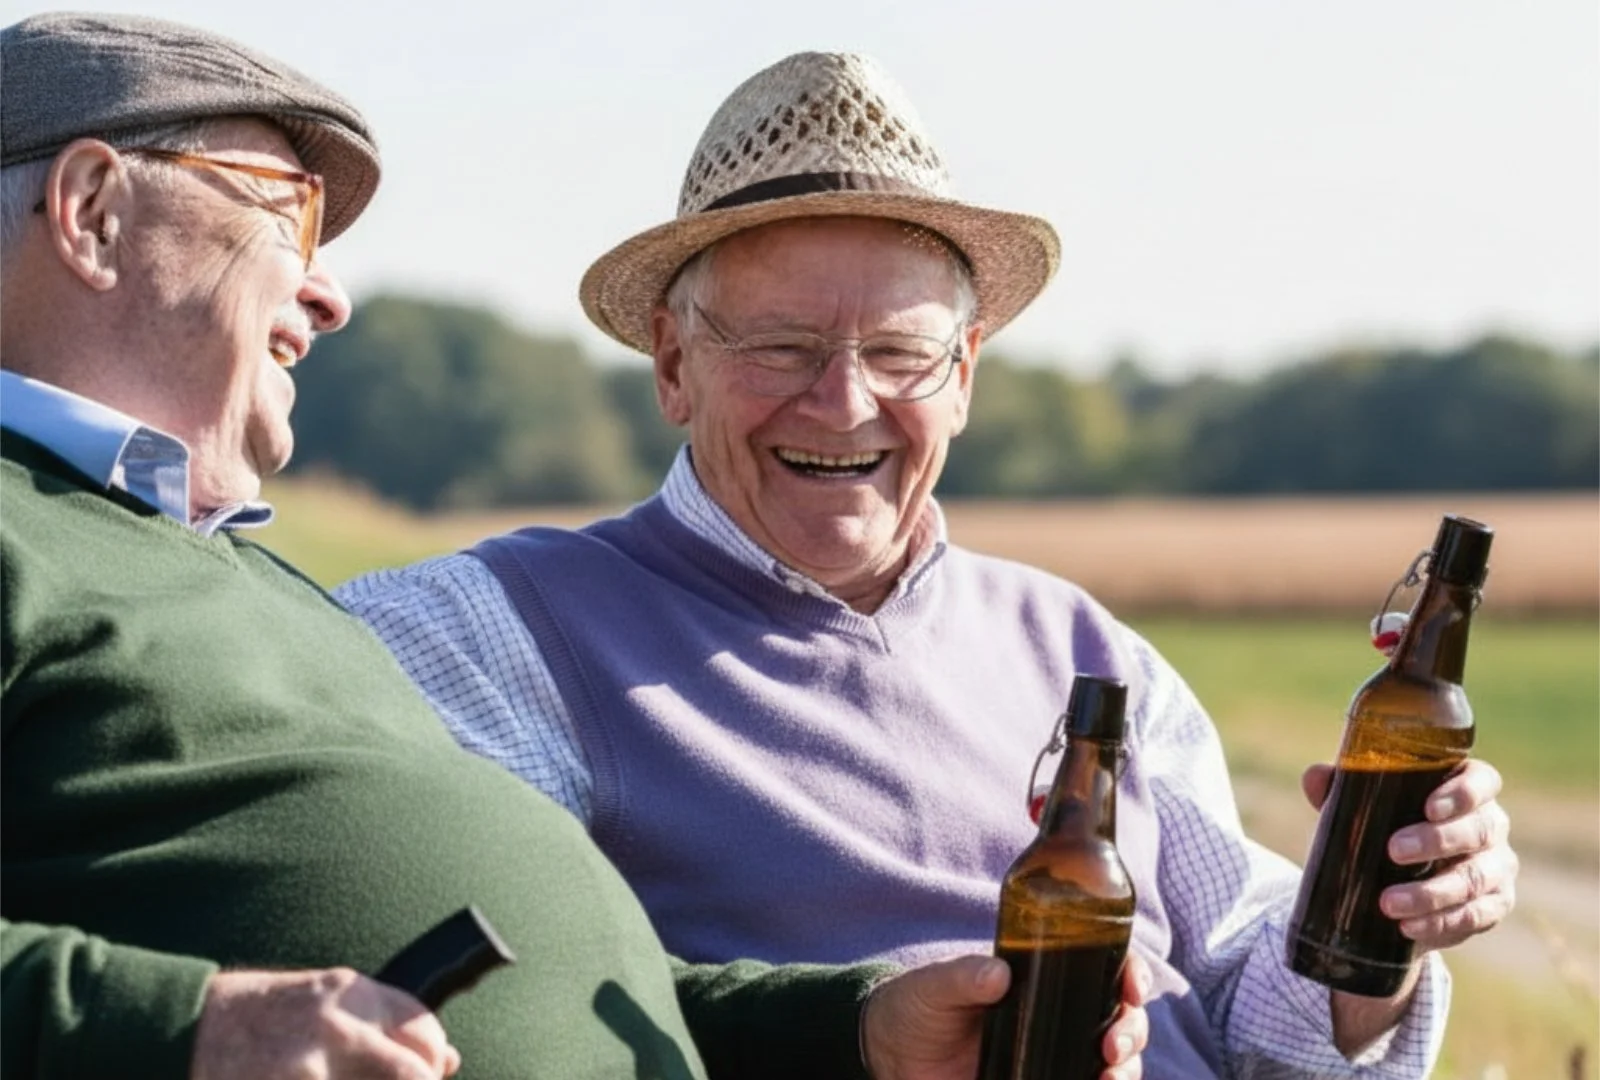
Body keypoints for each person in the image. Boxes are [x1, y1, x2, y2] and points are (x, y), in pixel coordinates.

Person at [0, 18, 1156, 1080]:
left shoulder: (247, 575)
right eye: (290, 211)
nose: (332, 294)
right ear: (94, 212)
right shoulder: (21, 530)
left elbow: (598, 992)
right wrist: (189, 1027)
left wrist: (853, 1029)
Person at [341, 51, 1522, 1079]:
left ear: (962, 375)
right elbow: (495, 994)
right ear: (671, 364)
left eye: (899, 353)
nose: (843, 402)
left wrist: (1392, 927)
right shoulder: (500, 627)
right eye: (782, 346)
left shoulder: (1087, 649)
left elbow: (1271, 1033)